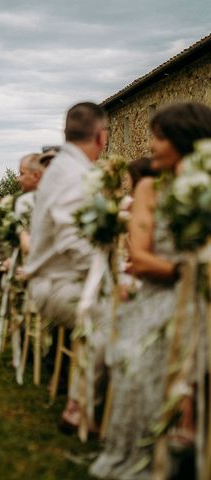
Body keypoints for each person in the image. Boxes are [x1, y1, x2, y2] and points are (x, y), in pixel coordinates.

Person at [90, 102, 211, 479]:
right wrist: (189, 271)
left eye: (159, 138)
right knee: (145, 355)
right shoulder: (148, 191)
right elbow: (139, 260)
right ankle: (172, 436)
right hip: (162, 297)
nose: (152, 147)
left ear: (184, 141)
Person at [24, 102, 111, 432]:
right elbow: (71, 239)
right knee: (114, 321)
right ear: (101, 137)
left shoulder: (64, 168)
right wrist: (107, 278)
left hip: (59, 279)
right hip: (58, 284)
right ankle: (82, 406)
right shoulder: (74, 174)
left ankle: (85, 400)